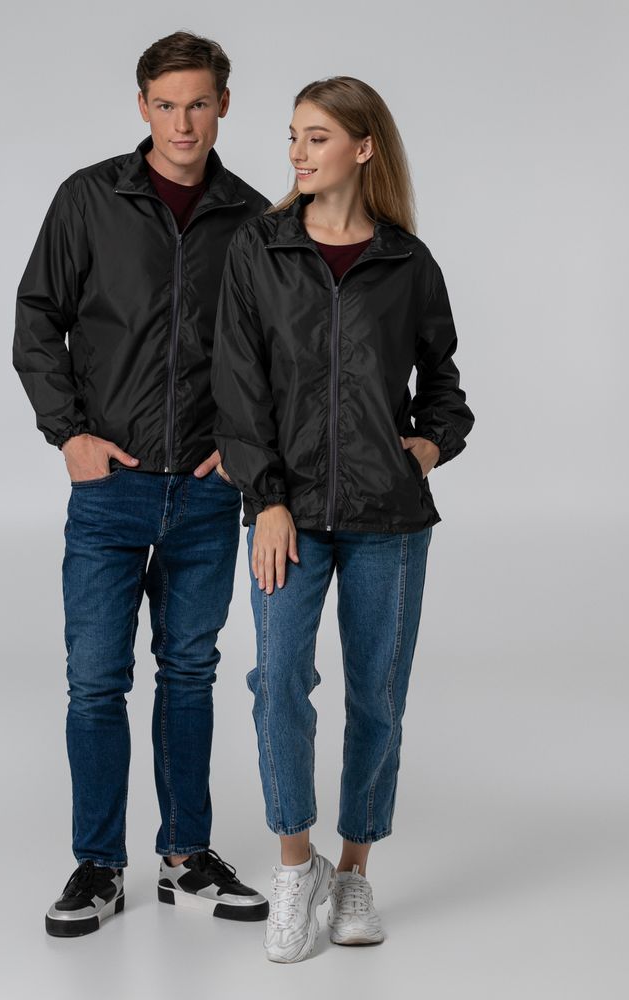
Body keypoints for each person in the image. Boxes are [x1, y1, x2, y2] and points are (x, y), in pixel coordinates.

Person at [13, 30, 271, 937]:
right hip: (111, 487)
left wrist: (243, 447)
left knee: (190, 675)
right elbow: (38, 318)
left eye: (198, 103)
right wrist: (68, 433)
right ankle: (98, 865)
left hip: (205, 491)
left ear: (224, 104)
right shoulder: (90, 198)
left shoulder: (253, 218)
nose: (183, 123)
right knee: (95, 681)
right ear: (142, 107)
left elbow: (276, 350)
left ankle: (184, 857)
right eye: (166, 105)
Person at [212, 76, 475, 962]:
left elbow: (445, 384)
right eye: (292, 135)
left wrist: (429, 444)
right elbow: (237, 387)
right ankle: (297, 865)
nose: (296, 152)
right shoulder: (260, 249)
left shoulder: (407, 262)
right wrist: (266, 500)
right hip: (288, 513)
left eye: (316, 137)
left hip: (388, 519)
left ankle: (354, 868)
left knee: (378, 697)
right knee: (278, 681)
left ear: (364, 147)